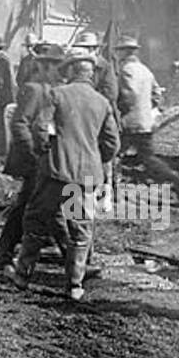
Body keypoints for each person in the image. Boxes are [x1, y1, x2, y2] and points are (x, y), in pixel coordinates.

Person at [15, 50, 120, 300]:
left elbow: (41, 127)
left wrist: (43, 152)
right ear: (91, 74)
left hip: (56, 171)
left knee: (36, 220)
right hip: (85, 177)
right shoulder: (102, 102)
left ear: (71, 71)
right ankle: (74, 284)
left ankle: (22, 276)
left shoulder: (57, 95)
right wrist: (96, 159)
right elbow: (112, 144)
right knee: (79, 227)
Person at [0, 42, 64, 279]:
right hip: (36, 161)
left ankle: (5, 257)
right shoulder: (34, 89)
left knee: (41, 207)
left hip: (47, 159)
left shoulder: (54, 89)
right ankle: (2, 258)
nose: (58, 71)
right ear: (44, 67)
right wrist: (35, 153)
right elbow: (19, 124)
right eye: (54, 67)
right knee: (26, 208)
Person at [114, 35, 179, 200]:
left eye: (118, 51)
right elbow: (157, 95)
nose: (117, 54)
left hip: (129, 122)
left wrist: (121, 111)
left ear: (123, 52)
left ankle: (113, 192)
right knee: (148, 159)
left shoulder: (125, 70)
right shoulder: (145, 70)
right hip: (145, 122)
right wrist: (146, 110)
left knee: (114, 155)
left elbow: (129, 96)